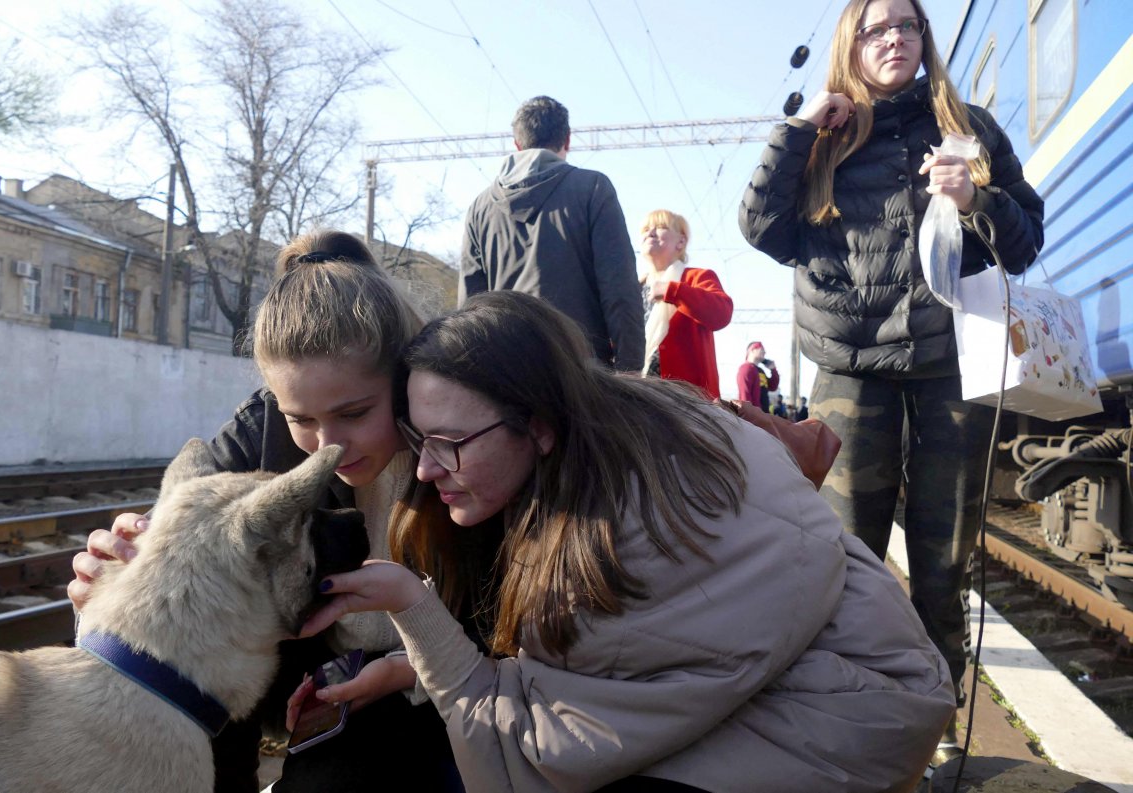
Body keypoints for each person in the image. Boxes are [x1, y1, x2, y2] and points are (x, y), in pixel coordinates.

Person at [296, 291, 956, 793]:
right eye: (420, 439)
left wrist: (415, 612)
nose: (427, 468)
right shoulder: (625, 422)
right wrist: (409, 668)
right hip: (865, 671)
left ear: (540, 424)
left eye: (450, 443)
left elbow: (532, 756)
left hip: (851, 722)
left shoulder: (614, 543)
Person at [738, 0, 1044, 757]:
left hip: (949, 366)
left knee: (943, 565)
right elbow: (760, 229)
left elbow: (1028, 238)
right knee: (846, 560)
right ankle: (849, 726)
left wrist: (977, 199)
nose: (894, 39)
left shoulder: (965, 126)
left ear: (923, 39)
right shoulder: (827, 135)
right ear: (854, 42)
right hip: (848, 369)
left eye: (907, 26)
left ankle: (937, 731)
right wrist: (800, 130)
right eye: (876, 28)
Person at [68, 231, 463, 793]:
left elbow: (511, 627)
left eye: (354, 413)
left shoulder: (459, 436)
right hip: (302, 683)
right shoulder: (260, 431)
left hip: (436, 690)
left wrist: (410, 669)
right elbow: (172, 567)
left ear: (404, 382)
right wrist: (110, 591)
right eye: (301, 418)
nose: (330, 444)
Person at [459, 95, 645, 371]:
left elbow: (469, 308)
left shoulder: (480, 208)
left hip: (506, 375)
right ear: (567, 140)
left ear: (517, 144)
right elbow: (620, 289)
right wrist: (629, 374)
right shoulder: (593, 189)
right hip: (581, 374)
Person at [638, 209, 733, 399]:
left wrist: (672, 291)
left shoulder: (696, 277)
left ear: (681, 242)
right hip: (642, 396)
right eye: (646, 228)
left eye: (661, 227)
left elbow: (721, 314)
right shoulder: (635, 287)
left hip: (689, 403)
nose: (650, 232)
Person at [735, 341, 778, 409]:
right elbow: (745, 395)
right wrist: (751, 414)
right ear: (752, 350)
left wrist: (773, 370)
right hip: (754, 415)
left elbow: (773, 387)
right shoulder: (746, 368)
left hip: (763, 414)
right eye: (762, 349)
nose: (764, 352)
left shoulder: (760, 371)